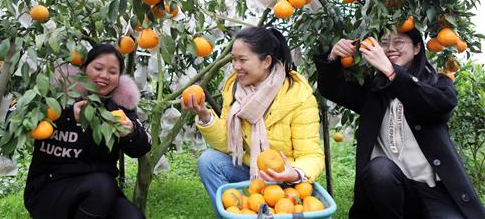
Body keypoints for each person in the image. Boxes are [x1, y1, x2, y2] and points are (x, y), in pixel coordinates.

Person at [313, 28, 485, 219]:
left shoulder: (438, 83)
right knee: (379, 169)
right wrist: (332, 58)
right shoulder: (374, 90)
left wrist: (391, 71)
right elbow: (333, 90)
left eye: (398, 42)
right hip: (391, 190)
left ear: (417, 48)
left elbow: (440, 107)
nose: (390, 48)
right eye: (385, 42)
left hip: (433, 191)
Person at [182, 26, 325, 217]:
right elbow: (227, 144)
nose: (236, 66)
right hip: (251, 170)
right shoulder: (234, 89)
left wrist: (295, 173)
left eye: (242, 60)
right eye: (234, 59)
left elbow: (311, 155)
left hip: (285, 179)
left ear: (266, 61)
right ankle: (233, 213)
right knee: (209, 161)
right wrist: (205, 116)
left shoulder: (297, 96)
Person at [24, 44, 151, 219]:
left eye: (112, 72)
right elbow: (24, 123)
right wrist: (67, 117)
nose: (104, 76)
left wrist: (130, 132)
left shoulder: (119, 107)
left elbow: (142, 147)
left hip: (100, 192)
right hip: (50, 186)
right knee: (102, 185)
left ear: (119, 78)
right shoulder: (58, 96)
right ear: (84, 68)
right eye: (98, 68)